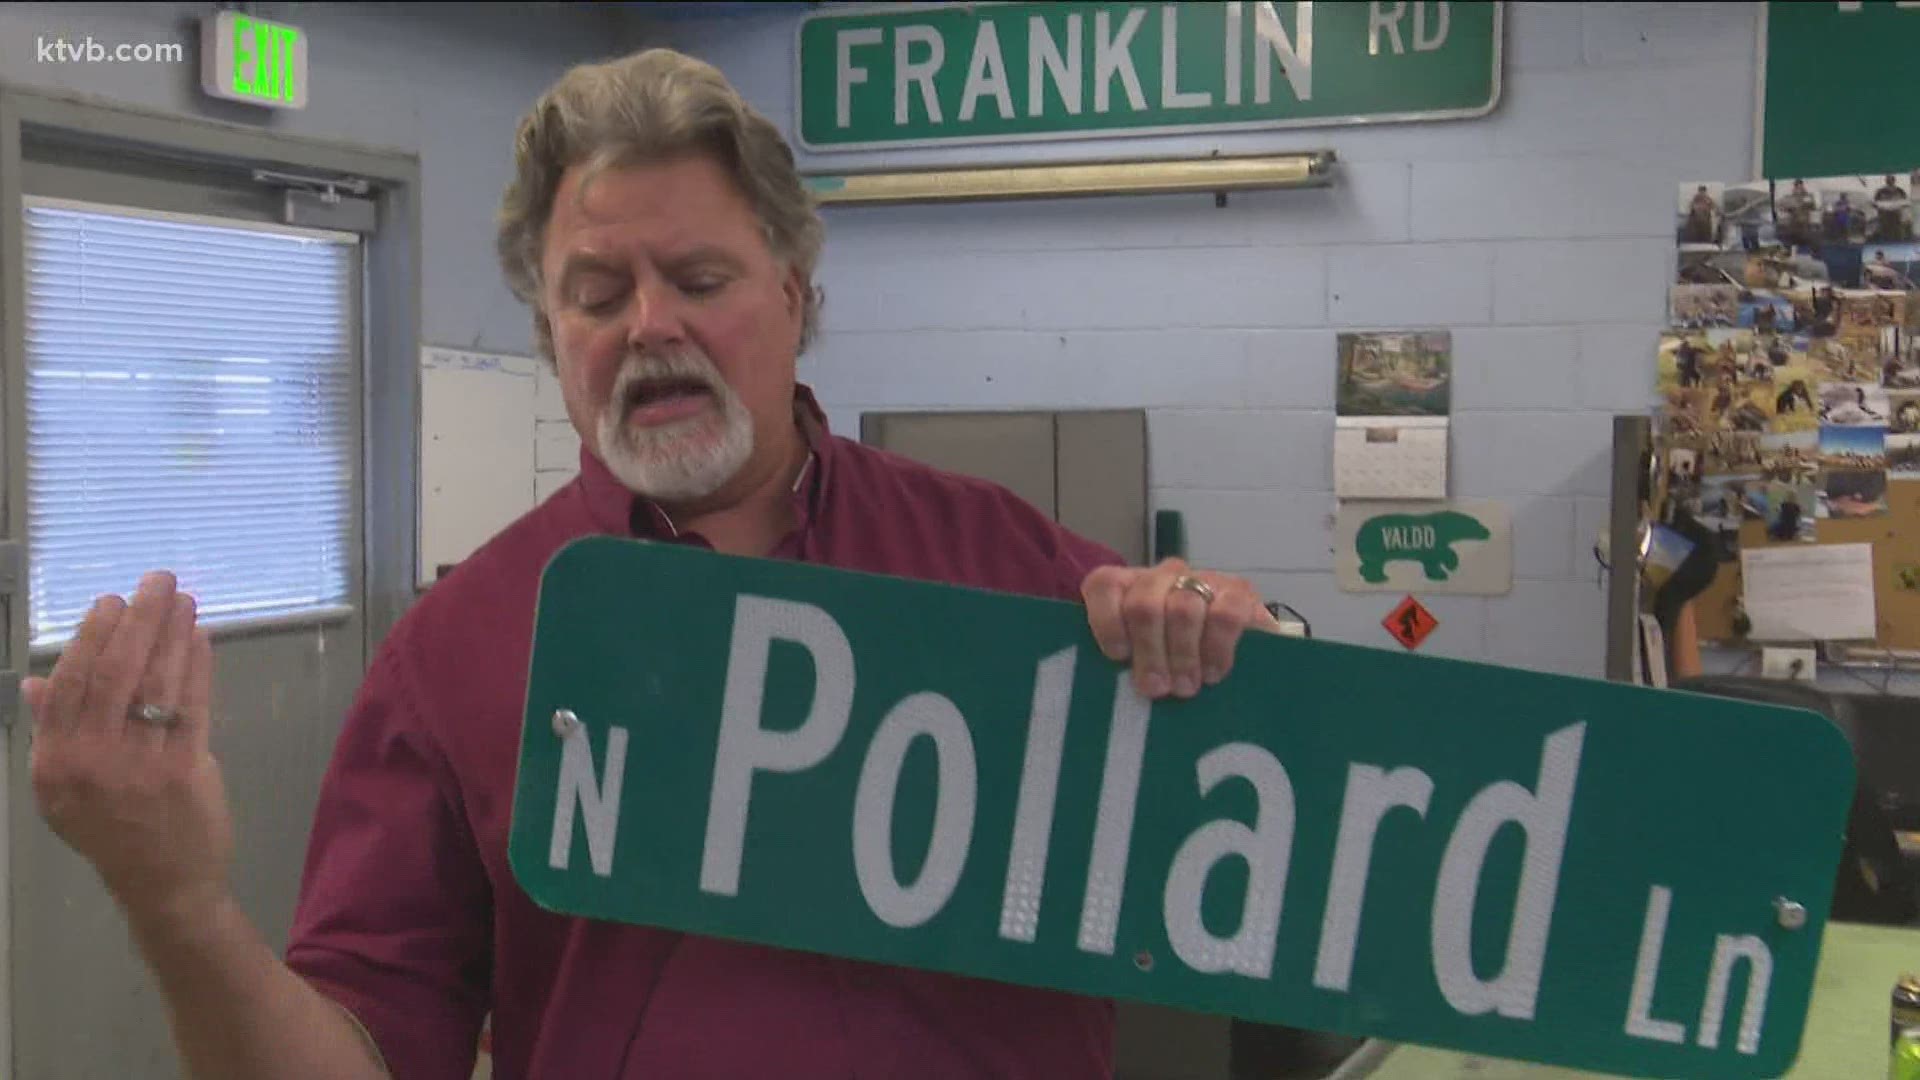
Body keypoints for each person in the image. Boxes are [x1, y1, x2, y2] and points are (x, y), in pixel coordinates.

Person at [23, 49, 1290, 1080]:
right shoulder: (453, 654)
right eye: (596, 293)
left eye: (699, 278)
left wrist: (1235, 637)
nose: (651, 327)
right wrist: (178, 903)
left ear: (796, 293)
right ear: (549, 332)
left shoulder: (1000, 555)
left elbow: (1270, 798)